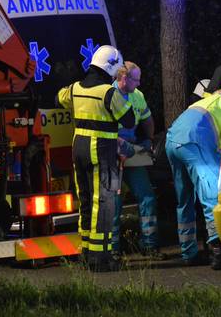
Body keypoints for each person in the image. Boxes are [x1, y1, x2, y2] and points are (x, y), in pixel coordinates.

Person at [56, 45, 135, 272]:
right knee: (104, 202)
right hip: (102, 149)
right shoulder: (108, 92)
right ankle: (101, 258)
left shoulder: (75, 89)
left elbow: (58, 97)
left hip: (78, 147)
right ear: (110, 67)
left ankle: (86, 251)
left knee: (86, 199)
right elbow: (128, 120)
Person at [165, 77, 221, 269]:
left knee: (184, 199)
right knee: (212, 195)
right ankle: (220, 252)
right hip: (194, 140)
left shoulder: (206, 100)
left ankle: (189, 252)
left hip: (172, 140)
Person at [110, 61, 164, 259]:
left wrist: (148, 140)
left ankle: (149, 245)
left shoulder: (137, 95)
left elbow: (147, 119)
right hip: (113, 155)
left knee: (147, 197)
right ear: (124, 78)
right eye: (136, 79)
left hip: (131, 152)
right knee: (113, 202)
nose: (139, 83)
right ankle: (113, 250)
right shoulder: (109, 94)